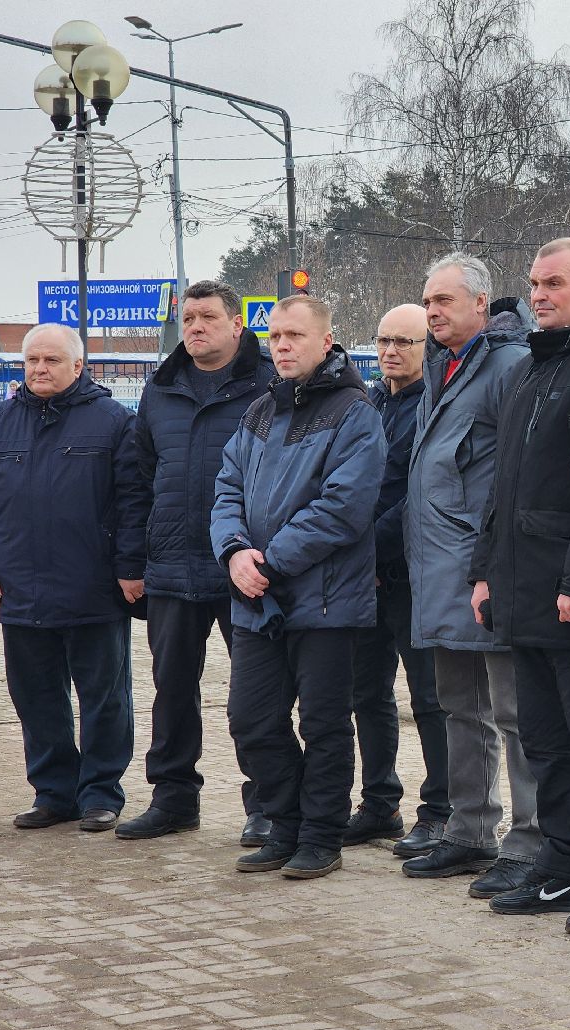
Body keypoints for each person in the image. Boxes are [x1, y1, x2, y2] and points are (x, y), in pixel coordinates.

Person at [468, 237, 570, 929]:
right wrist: (483, 572)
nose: (538, 294)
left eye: (554, 283)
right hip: (519, 590)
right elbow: (503, 485)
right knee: (543, 742)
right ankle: (563, 864)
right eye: (533, 283)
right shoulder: (534, 367)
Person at [211, 295, 384, 880]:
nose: (282, 346)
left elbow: (344, 507)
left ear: (326, 341)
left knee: (324, 724)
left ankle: (320, 836)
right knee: (252, 720)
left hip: (325, 600)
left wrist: (272, 562)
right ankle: (281, 825)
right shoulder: (259, 411)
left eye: (295, 336)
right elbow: (227, 488)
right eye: (276, 335)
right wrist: (235, 553)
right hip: (256, 599)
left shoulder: (354, 412)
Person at [0, 323, 147, 832]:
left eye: (51, 361)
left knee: (105, 699)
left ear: (78, 366)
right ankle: (54, 792)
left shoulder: (113, 423)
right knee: (37, 698)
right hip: (19, 591)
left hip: (94, 589)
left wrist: (131, 568)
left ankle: (101, 793)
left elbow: (133, 502)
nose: (39, 369)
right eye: (32, 361)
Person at [400, 254, 542, 898]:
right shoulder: (445, 364)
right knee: (459, 705)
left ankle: (530, 839)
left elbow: (510, 477)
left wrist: (490, 565)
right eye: (428, 302)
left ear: (482, 304)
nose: (433, 312)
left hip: (481, 568)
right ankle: (470, 828)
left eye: (446, 301)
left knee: (512, 711)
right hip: (439, 566)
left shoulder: (507, 365)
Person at [117, 280, 277, 845]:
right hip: (171, 566)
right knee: (172, 690)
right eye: (188, 318)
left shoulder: (269, 385)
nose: (196, 327)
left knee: (258, 696)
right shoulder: (160, 390)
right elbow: (138, 482)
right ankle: (173, 798)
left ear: (237, 324)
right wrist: (133, 561)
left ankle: (269, 805)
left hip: (245, 569)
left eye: (208, 316)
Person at [344, 303, 452, 854]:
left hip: (412, 573)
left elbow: (415, 499)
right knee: (368, 692)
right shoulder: (369, 404)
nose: (390, 351)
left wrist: (366, 547)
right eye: (384, 340)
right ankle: (379, 803)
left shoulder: (434, 406)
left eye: (404, 342)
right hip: (367, 576)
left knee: (430, 697)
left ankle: (440, 810)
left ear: (425, 348)